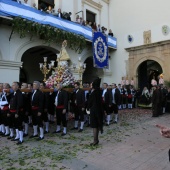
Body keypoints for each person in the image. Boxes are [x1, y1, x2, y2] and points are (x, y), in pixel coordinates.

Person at [87, 78, 103, 146]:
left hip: (94, 110)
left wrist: (87, 107)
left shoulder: (94, 92)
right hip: (98, 110)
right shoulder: (98, 91)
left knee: (94, 126)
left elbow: (90, 102)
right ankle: (96, 139)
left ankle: (95, 140)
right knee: (97, 125)